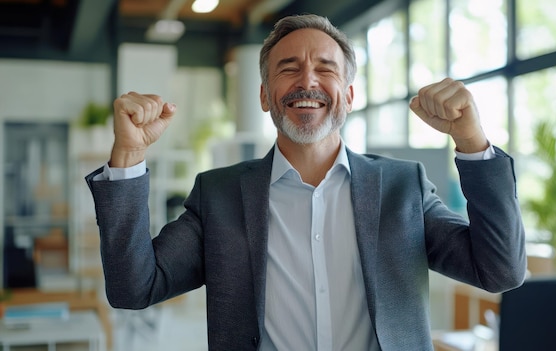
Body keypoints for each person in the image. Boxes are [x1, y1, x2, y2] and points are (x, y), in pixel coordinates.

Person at [85, 13, 526, 351]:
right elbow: (133, 288)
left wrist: (472, 142)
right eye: (289, 68)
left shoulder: (402, 186)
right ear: (264, 95)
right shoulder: (218, 196)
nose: (308, 81)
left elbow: (500, 270)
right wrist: (128, 157)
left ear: (349, 96)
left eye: (326, 68)